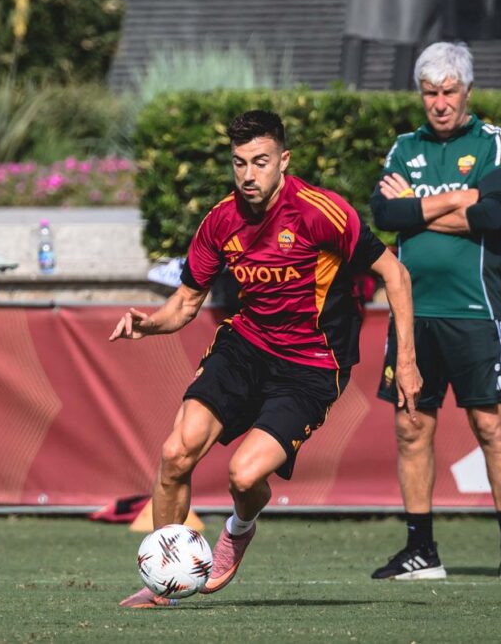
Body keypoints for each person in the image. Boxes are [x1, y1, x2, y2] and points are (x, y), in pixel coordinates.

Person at [112, 110, 422, 607]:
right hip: (245, 347)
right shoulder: (220, 221)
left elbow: (396, 275)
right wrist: (149, 324)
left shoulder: (322, 212)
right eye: (239, 163)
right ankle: (162, 587)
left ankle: (241, 526)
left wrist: (405, 361)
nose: (248, 175)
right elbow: (186, 304)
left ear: (283, 160)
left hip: (311, 365)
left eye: (260, 162)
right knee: (175, 454)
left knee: (244, 476)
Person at [369, 42, 501, 580]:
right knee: (411, 425)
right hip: (412, 313)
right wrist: (451, 200)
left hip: (474, 310)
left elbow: (491, 213)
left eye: (449, 91)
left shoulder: (493, 142)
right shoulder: (403, 147)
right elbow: (382, 212)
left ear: (467, 90)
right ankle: (422, 550)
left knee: (491, 425)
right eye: (429, 92)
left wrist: (415, 211)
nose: (439, 103)